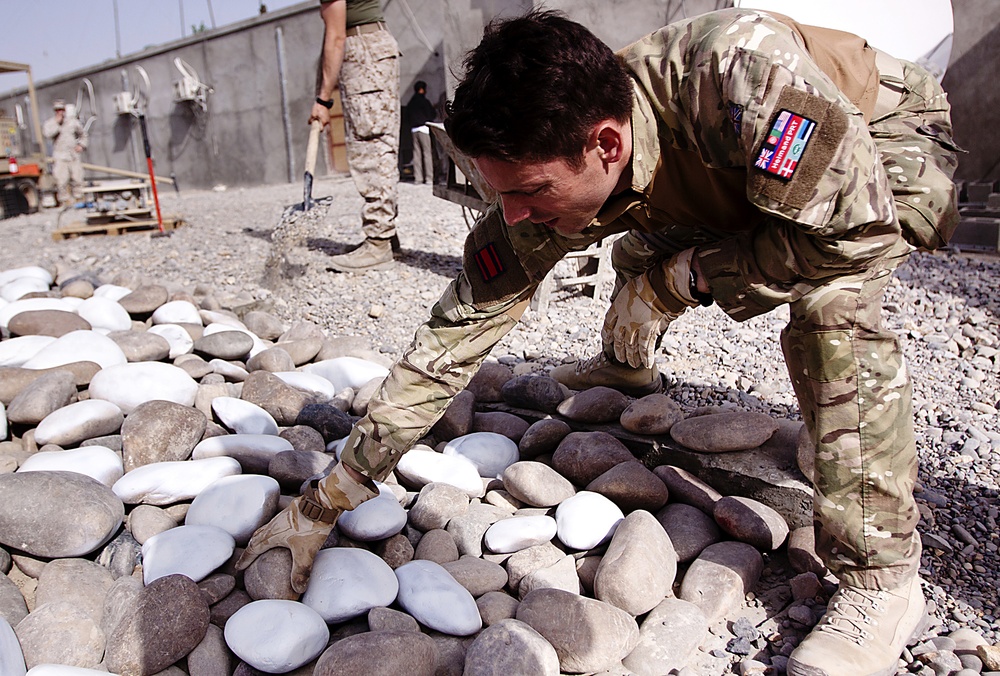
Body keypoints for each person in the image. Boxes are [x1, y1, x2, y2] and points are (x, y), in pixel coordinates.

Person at [238, 8, 959, 674]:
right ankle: (628, 374)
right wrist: (330, 498)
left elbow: (856, 235)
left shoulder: (743, 81)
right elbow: (453, 334)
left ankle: (882, 577)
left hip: (884, 144)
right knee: (638, 250)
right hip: (745, 175)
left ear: (606, 144)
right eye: (500, 195)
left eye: (531, 192)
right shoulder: (560, 147)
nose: (514, 216)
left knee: (832, 312)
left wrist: (700, 275)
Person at [309, 0, 401, 273]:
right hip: (372, 49)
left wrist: (323, 100)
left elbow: (336, 35)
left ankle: (378, 243)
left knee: (371, 146)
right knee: (379, 141)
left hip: (363, 53)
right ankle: (386, 235)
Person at [42, 99, 87, 206]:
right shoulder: (50, 123)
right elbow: (47, 134)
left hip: (73, 154)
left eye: (61, 110)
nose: (60, 112)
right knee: (61, 179)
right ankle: (64, 199)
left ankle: (79, 197)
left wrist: (81, 145)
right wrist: (57, 124)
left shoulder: (72, 122)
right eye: (57, 110)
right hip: (60, 155)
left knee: (77, 177)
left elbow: (83, 134)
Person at [406, 80, 438, 184]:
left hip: (414, 130)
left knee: (416, 155)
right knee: (427, 154)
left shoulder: (411, 102)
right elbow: (431, 115)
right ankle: (429, 178)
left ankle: (418, 178)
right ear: (422, 89)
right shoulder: (424, 101)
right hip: (424, 129)